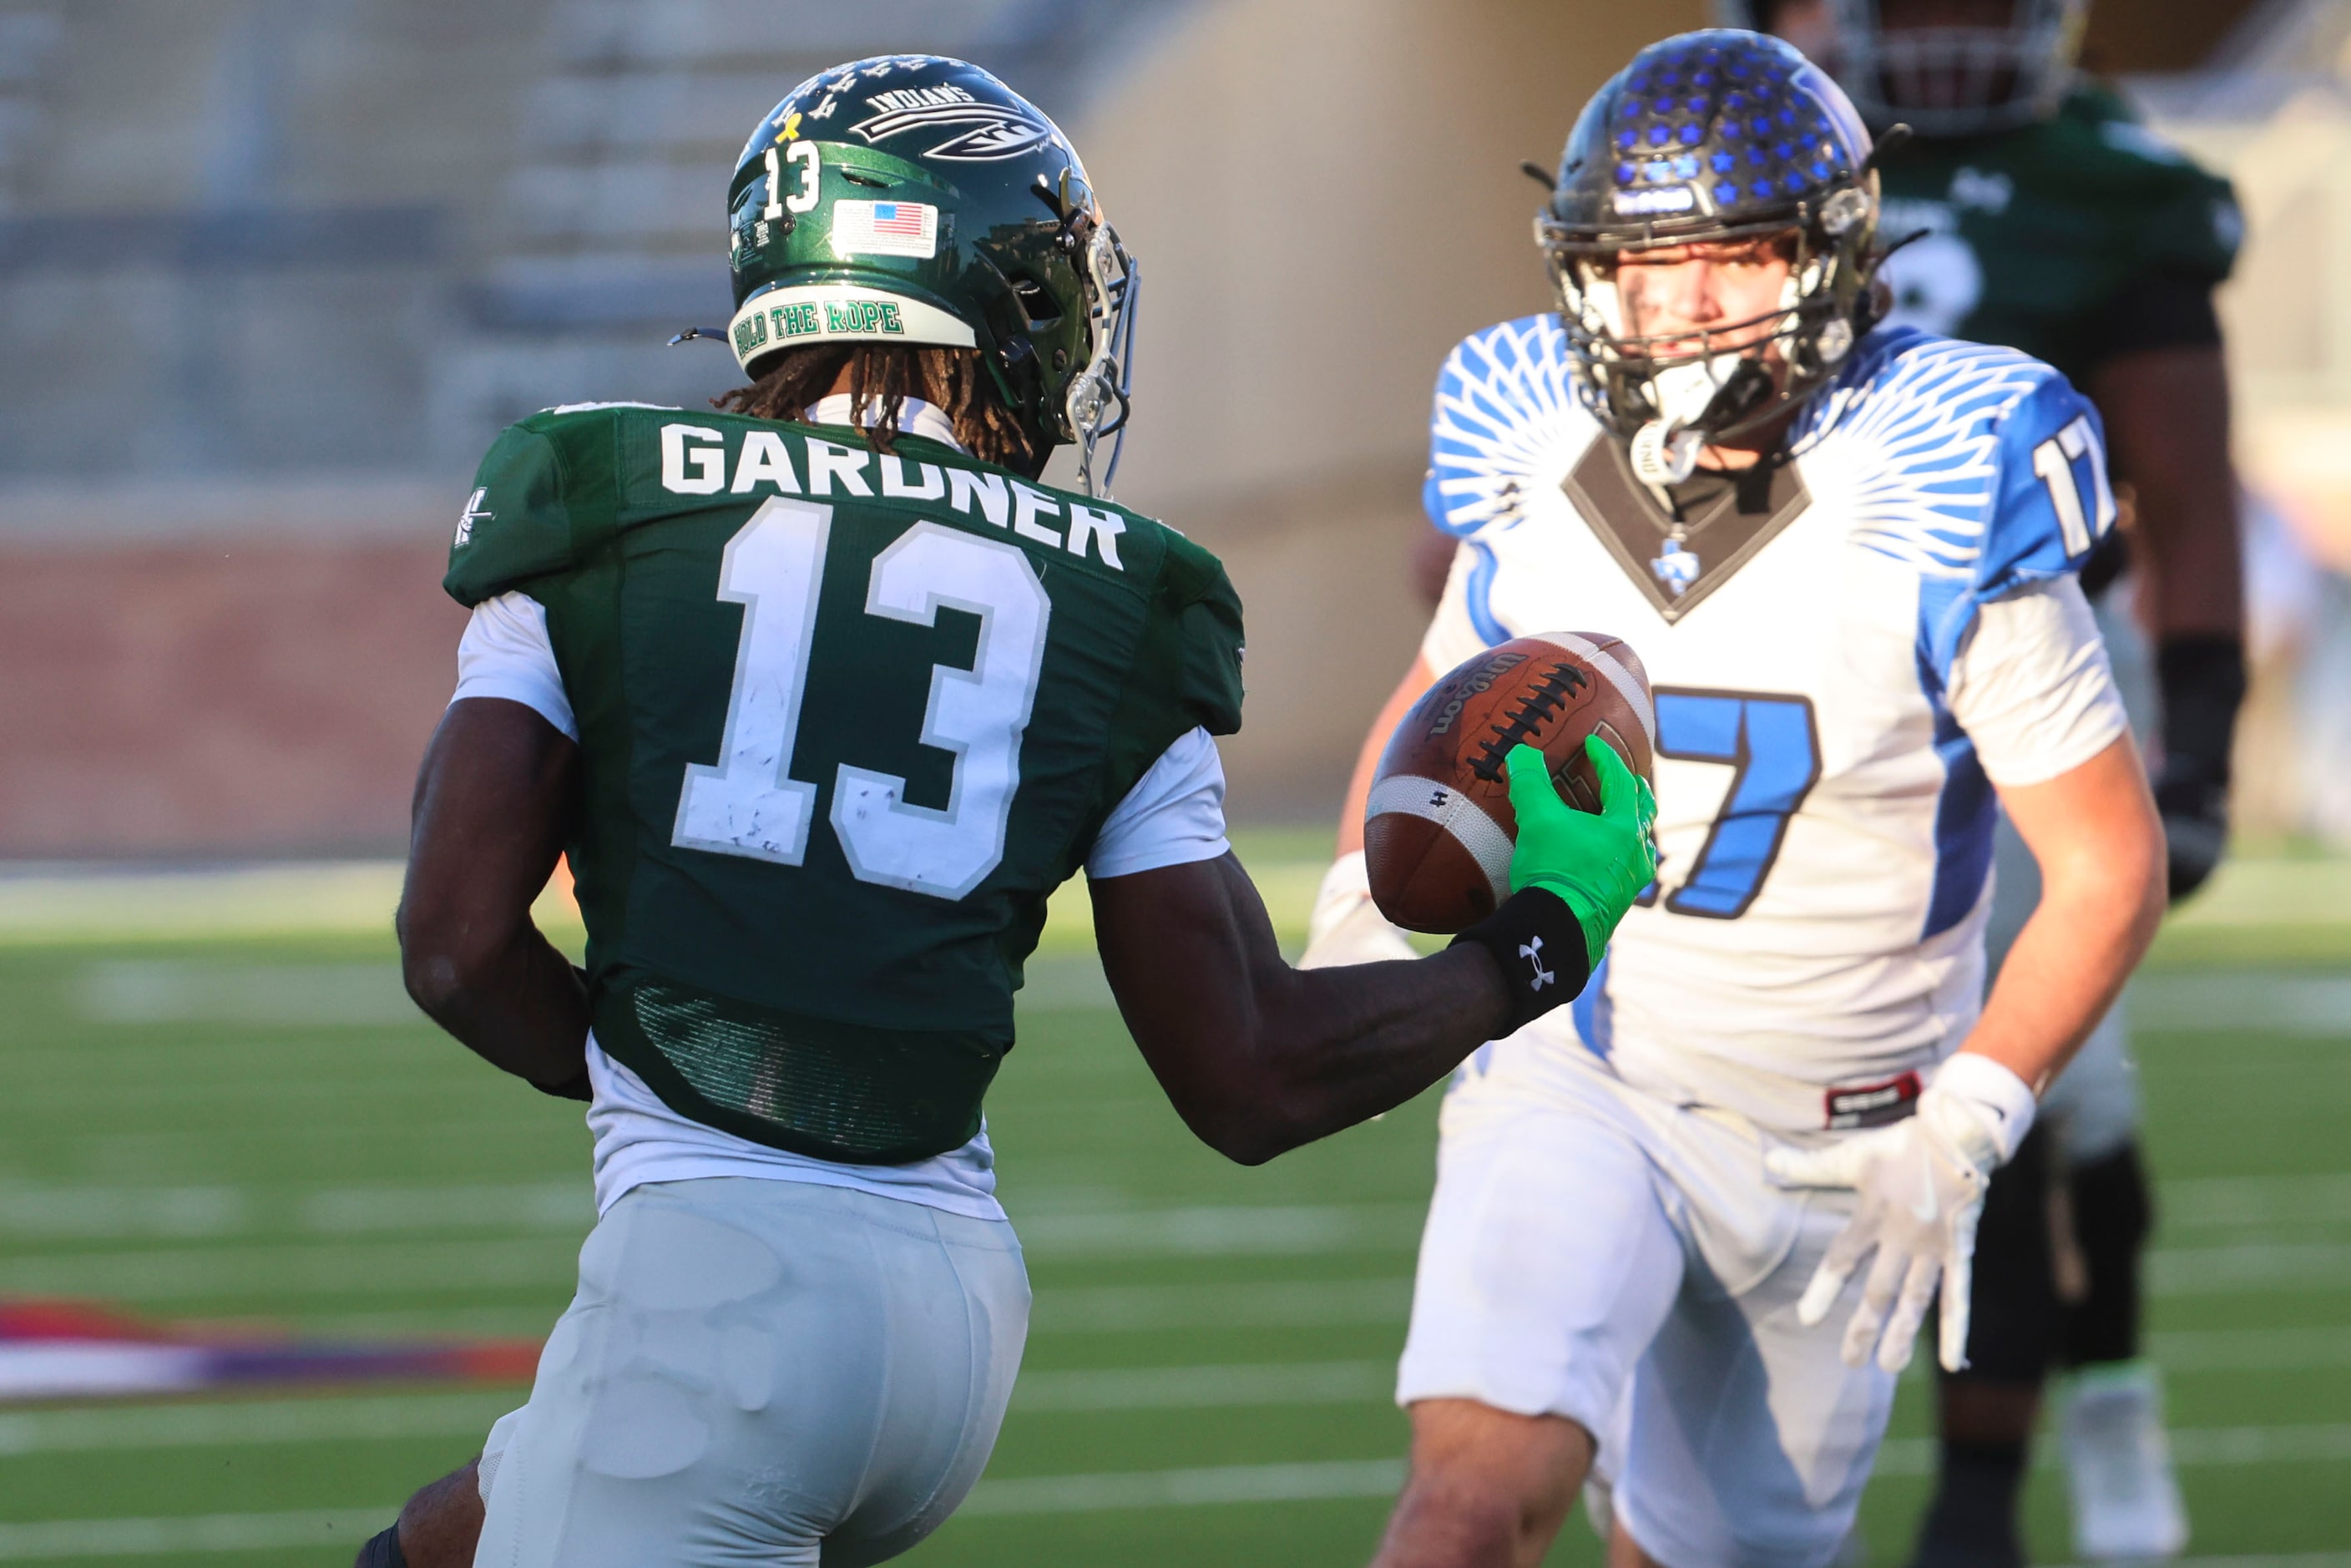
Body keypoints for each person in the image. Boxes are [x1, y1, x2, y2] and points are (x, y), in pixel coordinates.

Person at [351, 53, 1660, 1568]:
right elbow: (1252, 1076)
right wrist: (1536, 951)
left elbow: (452, 944)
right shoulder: (1127, 593)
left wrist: (644, 1062)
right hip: (952, 1316)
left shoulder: (600, 491)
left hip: (712, 1296)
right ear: (979, 289)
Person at [1302, 29, 2167, 1568]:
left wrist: (1973, 1112)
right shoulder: (1527, 423)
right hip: (1582, 1063)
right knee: (1466, 1503)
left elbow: (2102, 863)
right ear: (1590, 272)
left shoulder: (1945, 462)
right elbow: (1452, 688)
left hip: (1844, 1140)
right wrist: (1371, 904)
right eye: (1648, 263)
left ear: (1826, 257)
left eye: (1735, 258)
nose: (1684, 305)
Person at [1718, 3, 2248, 1560]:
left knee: (2029, 1083)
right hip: (1785, 657)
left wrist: (2202, 739)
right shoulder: (1751, 138)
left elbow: (2191, 486)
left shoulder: (2115, 184)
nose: (1945, 37)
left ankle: (1995, 1485)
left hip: (2032, 664)